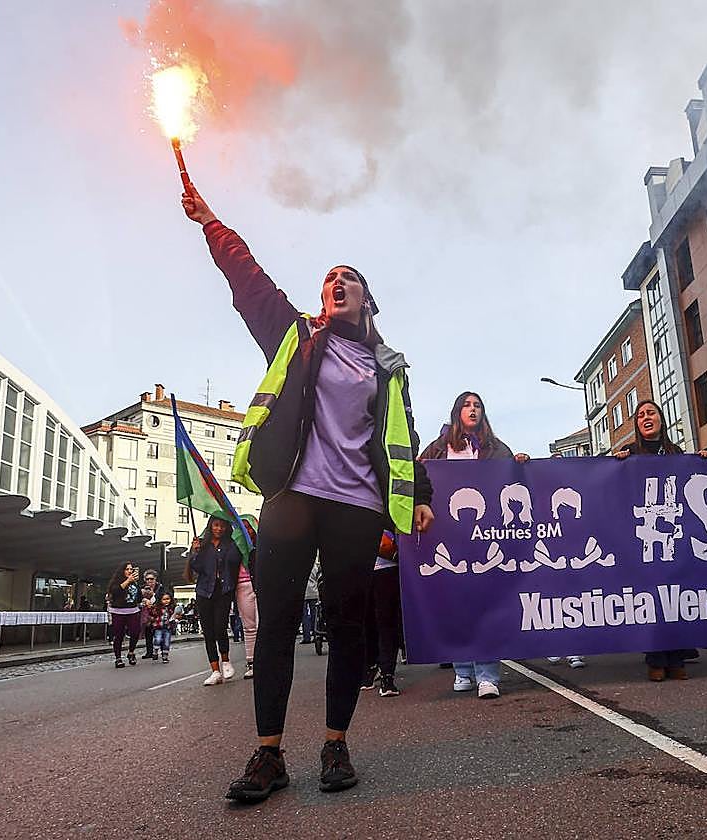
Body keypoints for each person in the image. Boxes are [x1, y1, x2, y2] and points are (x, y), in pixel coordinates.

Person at [183, 184, 434, 802]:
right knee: (275, 627)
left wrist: (420, 490)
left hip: (355, 507)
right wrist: (213, 222)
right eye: (329, 280)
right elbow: (250, 284)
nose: (338, 283)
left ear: (366, 300)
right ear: (323, 301)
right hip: (293, 498)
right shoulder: (297, 338)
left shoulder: (387, 367)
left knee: (349, 626)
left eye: (349, 278)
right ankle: (269, 755)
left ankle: (335, 744)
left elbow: (401, 437)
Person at [420, 391, 527, 700]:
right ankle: (463, 669)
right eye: (466, 405)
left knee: (484, 605)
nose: (472, 410)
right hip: (449, 537)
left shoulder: (495, 448)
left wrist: (519, 462)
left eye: (477, 405)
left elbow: (513, 480)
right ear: (457, 412)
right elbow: (417, 473)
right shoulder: (440, 448)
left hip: (485, 537)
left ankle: (488, 675)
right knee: (456, 606)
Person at [614, 400, 707, 681]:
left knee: (676, 595)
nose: (646, 417)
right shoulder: (630, 453)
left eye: (651, 413)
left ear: (660, 419)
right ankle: (656, 658)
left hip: (672, 530)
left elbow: (690, 478)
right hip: (644, 533)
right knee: (653, 596)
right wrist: (616, 464)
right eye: (641, 414)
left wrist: (702, 460)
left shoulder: (675, 452)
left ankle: (677, 657)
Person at [187, 516, 243, 686]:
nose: (219, 529)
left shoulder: (230, 544)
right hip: (204, 591)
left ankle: (225, 660)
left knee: (220, 627)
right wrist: (195, 551)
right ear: (210, 526)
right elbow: (196, 567)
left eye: (222, 526)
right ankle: (215, 671)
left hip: (223, 591)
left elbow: (235, 561)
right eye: (216, 525)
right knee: (208, 632)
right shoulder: (204, 546)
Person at [362, 530, 403, 697]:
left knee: (375, 623)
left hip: (374, 568)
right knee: (382, 623)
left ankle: (377, 672)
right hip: (384, 566)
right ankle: (384, 674)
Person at [107, 562, 143, 668]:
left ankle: (131, 652)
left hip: (132, 610)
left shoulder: (134, 583)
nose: (130, 571)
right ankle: (118, 658)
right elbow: (115, 591)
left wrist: (144, 598)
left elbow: (138, 596)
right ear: (122, 571)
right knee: (119, 635)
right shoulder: (117, 582)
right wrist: (128, 581)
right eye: (127, 569)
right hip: (119, 611)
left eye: (131, 569)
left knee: (135, 632)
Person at [237, 515, 260, 680]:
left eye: (249, 527)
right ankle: (251, 663)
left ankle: (267, 661)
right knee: (249, 627)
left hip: (263, 586)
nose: (247, 531)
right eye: (243, 527)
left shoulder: (263, 545)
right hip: (242, 586)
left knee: (264, 625)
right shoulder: (235, 546)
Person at [141, 569, 165, 660]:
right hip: (147, 614)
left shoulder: (160, 588)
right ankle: (149, 652)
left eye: (151, 579)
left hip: (157, 613)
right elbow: (139, 599)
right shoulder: (143, 588)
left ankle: (163, 651)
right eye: (147, 579)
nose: (149, 581)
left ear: (155, 579)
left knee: (159, 633)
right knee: (148, 633)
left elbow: (164, 598)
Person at [149, 592, 178, 663]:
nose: (166, 601)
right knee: (157, 639)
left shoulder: (172, 608)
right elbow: (151, 613)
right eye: (164, 599)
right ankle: (155, 651)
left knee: (166, 642)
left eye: (168, 599)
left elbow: (176, 615)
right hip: (158, 627)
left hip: (168, 628)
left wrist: (176, 618)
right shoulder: (157, 607)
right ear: (160, 600)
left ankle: (165, 656)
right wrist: (153, 621)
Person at [301, 560, 320, 646]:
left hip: (304, 593)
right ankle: (316, 635)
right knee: (314, 615)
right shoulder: (314, 567)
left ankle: (306, 637)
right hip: (314, 592)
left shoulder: (300, 566)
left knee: (304, 616)